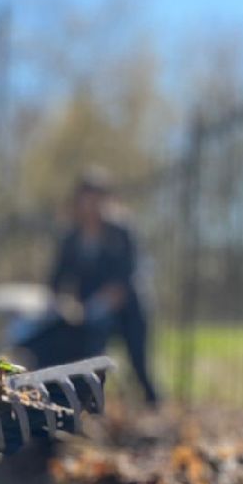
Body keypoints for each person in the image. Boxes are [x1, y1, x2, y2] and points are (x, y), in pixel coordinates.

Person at [48, 166, 160, 406]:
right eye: (85, 201)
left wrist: (110, 298)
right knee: (88, 360)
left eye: (96, 201)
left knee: (139, 364)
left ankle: (154, 406)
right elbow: (57, 280)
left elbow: (131, 271)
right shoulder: (71, 238)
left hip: (130, 309)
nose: (90, 208)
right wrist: (65, 304)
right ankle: (89, 409)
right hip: (90, 314)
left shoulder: (121, 231)